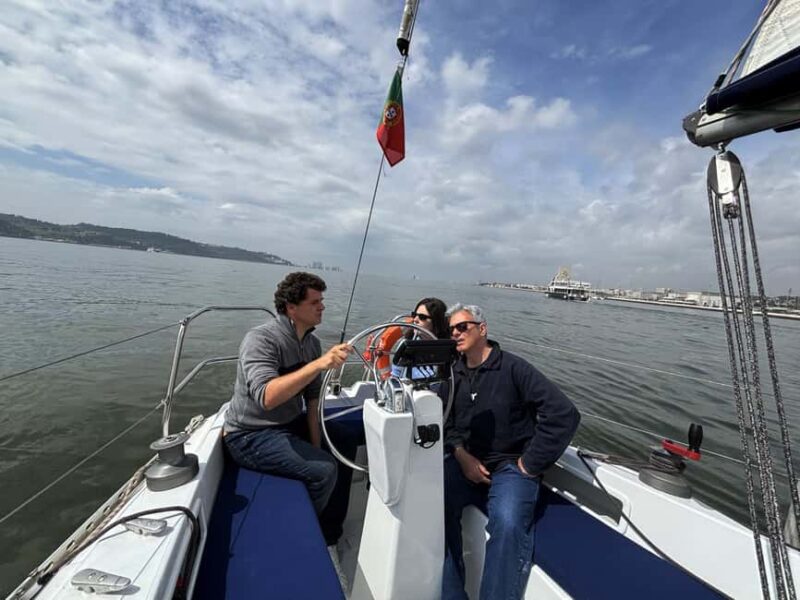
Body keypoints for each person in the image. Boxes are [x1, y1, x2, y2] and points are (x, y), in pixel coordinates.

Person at [442, 303, 581, 600]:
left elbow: (563, 414)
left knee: (507, 526)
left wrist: (529, 465)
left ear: (482, 329)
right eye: (451, 328)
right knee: (433, 503)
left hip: (510, 469)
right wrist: (460, 454)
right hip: (466, 462)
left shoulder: (514, 369)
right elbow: (448, 422)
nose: (455, 333)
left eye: (462, 326)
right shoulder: (453, 374)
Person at [223, 271, 354, 546]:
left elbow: (314, 401)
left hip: (289, 425)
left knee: (342, 441)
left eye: (322, 300)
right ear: (291, 308)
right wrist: (318, 365)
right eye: (315, 302)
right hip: (249, 435)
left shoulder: (312, 343)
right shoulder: (261, 339)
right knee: (324, 470)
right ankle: (302, 533)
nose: (322, 306)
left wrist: (318, 446)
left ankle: (330, 532)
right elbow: (266, 397)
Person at [391, 297, 449, 380]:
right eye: (414, 315)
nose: (415, 319)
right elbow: (395, 375)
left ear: (436, 321)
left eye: (422, 317)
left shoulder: (447, 348)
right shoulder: (406, 344)